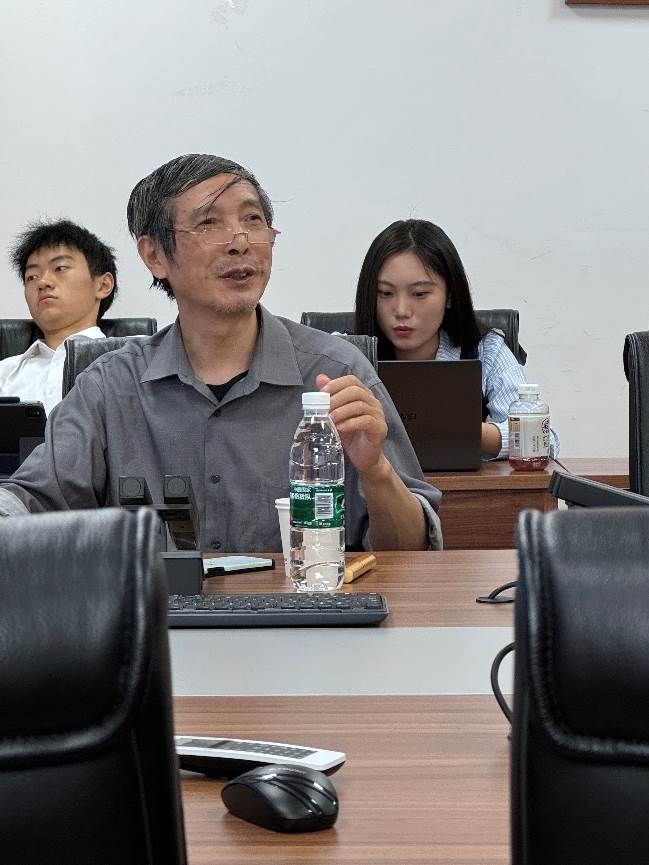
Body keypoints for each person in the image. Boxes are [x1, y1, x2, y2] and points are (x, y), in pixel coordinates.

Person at [0, 155, 442, 552]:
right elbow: (29, 500)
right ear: (155, 255)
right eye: (210, 223)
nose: (240, 241)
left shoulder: (336, 372)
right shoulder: (109, 386)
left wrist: (376, 470)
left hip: (305, 614)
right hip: (156, 615)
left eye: (253, 220)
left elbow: (415, 551)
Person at [354, 219, 559, 459]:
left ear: (450, 295)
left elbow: (545, 442)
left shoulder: (485, 351)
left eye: (419, 294)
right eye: (385, 293)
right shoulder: (344, 353)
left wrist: (462, 431)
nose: (401, 310)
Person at [0, 220, 118, 414]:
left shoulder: (134, 361)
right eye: (32, 276)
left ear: (103, 285)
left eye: (60, 268)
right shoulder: (4, 375)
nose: (43, 282)